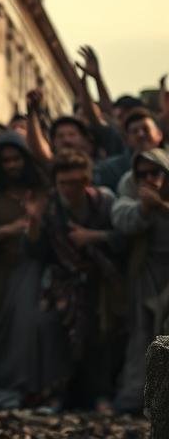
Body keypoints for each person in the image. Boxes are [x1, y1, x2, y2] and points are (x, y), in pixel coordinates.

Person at [24, 150, 124, 411]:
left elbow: (123, 238)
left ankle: (101, 396)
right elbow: (38, 252)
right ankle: (56, 395)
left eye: (76, 182)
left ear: (87, 181)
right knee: (51, 327)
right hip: (63, 284)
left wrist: (93, 237)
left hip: (100, 279)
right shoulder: (51, 208)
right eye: (64, 183)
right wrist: (33, 222)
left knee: (100, 334)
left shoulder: (104, 201)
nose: (70, 189)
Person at [0, 132, 63, 403]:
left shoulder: (44, 191)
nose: (12, 165)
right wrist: (8, 231)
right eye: (6, 160)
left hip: (35, 271)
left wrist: (34, 224)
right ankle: (10, 387)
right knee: (2, 339)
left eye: (16, 158)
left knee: (33, 326)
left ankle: (37, 387)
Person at [110, 148, 169, 413]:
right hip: (146, 276)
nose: (149, 178)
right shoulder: (130, 188)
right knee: (143, 340)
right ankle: (136, 400)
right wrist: (144, 209)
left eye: (155, 172)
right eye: (142, 173)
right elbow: (121, 218)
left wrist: (161, 207)